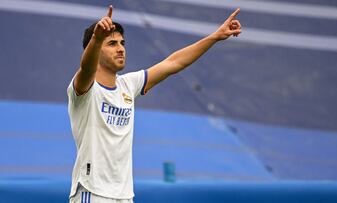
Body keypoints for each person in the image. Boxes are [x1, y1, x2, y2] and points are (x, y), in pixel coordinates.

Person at [67, 5, 242, 203]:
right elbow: (87, 67)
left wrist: (215, 37)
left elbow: (173, 63)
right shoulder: (84, 89)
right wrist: (97, 38)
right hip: (92, 192)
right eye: (112, 43)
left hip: (124, 195)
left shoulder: (128, 85)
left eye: (122, 43)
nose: (121, 48)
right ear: (96, 49)